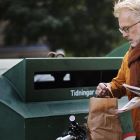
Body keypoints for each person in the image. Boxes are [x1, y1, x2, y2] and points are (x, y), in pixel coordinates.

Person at [95, 0, 140, 139]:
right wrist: (107, 88)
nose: (124, 35)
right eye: (122, 29)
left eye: (127, 28)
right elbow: (119, 84)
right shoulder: (129, 56)